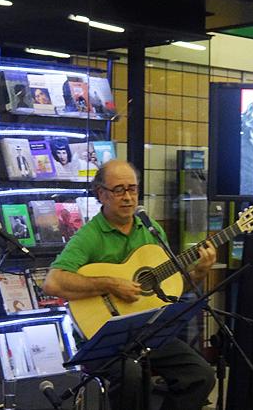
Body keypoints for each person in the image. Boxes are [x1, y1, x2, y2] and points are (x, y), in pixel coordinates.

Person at [43, 159, 217, 410]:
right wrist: (110, 284)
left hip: (148, 331)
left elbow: (170, 291)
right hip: (104, 338)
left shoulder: (151, 229)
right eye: (119, 190)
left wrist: (199, 272)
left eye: (132, 189)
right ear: (101, 194)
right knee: (131, 374)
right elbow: (53, 282)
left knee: (201, 375)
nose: (128, 197)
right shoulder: (89, 237)